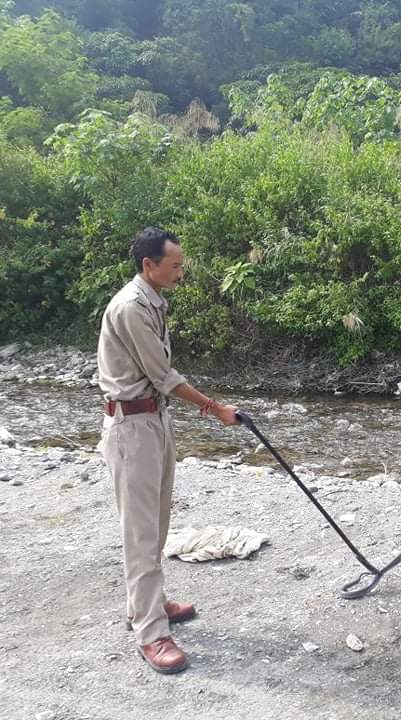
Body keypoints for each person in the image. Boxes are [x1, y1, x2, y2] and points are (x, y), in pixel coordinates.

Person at [98, 227, 240, 674]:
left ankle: (149, 604)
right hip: (131, 426)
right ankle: (151, 634)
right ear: (149, 266)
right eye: (175, 265)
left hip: (152, 419)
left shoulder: (153, 302)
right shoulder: (131, 308)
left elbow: (159, 382)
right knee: (140, 533)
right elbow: (164, 376)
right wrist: (216, 409)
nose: (181, 272)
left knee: (157, 522)